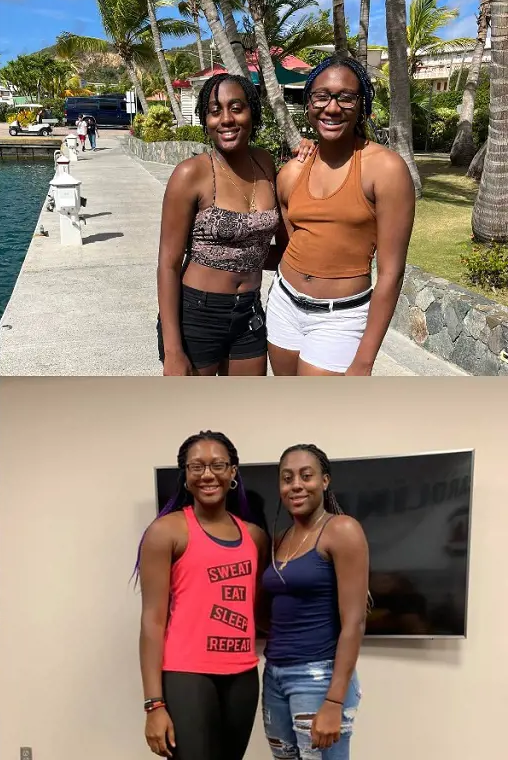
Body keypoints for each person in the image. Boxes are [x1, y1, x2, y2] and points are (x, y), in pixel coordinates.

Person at [156, 74, 314, 377]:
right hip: (197, 314)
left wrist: (311, 151)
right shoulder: (190, 174)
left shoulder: (265, 164)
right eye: (215, 111)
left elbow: (273, 248)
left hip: (249, 313)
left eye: (236, 108)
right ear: (206, 120)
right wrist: (174, 351)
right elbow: (168, 264)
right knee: (197, 419)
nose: (226, 119)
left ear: (253, 112)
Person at [267, 56, 416, 376]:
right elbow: (293, 241)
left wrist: (364, 360)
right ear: (308, 105)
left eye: (346, 97)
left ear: (362, 105)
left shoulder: (385, 170)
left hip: (341, 318)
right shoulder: (292, 171)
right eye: (321, 96)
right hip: (283, 304)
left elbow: (391, 273)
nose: (331, 108)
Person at [137, 431, 270, 759]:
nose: (207, 474)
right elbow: (152, 621)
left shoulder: (255, 537)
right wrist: (154, 704)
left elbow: (262, 614)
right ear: (184, 475)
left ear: (233, 472)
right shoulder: (166, 531)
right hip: (187, 675)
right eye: (196, 467)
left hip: (243, 674)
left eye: (217, 465)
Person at [260, 444, 370, 759]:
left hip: (319, 676)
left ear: (324, 481)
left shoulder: (342, 530)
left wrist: (334, 701)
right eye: (287, 477)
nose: (296, 484)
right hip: (275, 674)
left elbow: (354, 621)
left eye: (306, 476)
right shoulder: (279, 539)